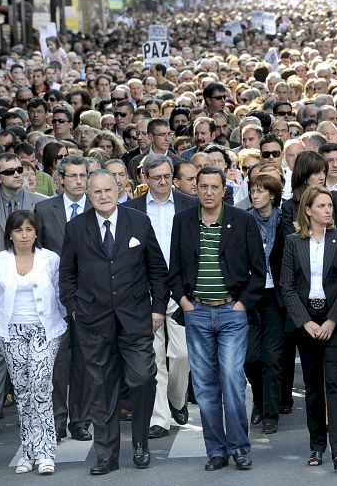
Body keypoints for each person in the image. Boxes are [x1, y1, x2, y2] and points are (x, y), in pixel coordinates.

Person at [59, 169, 170, 475]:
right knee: (101, 388)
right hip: (93, 321)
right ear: (89, 195)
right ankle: (106, 455)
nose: (104, 196)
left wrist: (157, 308)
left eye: (108, 190)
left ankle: (140, 443)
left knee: (144, 377)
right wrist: (74, 309)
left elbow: (157, 269)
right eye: (97, 192)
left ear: (119, 189)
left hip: (136, 318)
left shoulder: (139, 221)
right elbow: (67, 273)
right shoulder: (76, 227)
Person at [169, 166, 266, 471]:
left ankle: (239, 447)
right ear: (195, 189)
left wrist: (241, 305)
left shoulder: (243, 221)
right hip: (196, 311)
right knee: (205, 386)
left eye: (214, 186)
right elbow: (174, 268)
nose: (209, 192)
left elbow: (258, 271)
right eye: (203, 186)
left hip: (231, 312)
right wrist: (183, 302)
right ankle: (216, 451)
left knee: (231, 379)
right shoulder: (183, 220)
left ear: (225, 189)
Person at [0, 210, 66, 475]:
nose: (24, 235)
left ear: (36, 232)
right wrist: (2, 327)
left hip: (44, 329)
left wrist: (56, 324)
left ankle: (46, 452)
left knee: (40, 386)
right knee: (22, 390)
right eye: (19, 230)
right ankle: (28, 450)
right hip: (11, 331)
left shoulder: (50, 259)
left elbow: (61, 294)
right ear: (10, 233)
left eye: (29, 229)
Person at [121, 154, 197, 438]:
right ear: (145, 179)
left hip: (180, 287)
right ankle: (159, 417)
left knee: (181, 354)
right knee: (153, 356)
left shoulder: (190, 204)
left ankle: (177, 401)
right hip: (146, 289)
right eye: (157, 177)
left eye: (167, 176)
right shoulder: (131, 209)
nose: (163, 182)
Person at [281, 185, 337, 470]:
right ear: (308, 210)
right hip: (305, 319)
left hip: (335, 318)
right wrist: (305, 321)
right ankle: (317, 446)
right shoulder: (292, 241)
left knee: (334, 382)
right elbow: (286, 286)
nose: (327, 210)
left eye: (330, 206)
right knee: (312, 385)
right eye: (321, 206)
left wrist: (332, 321)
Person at [34, 155, 92, 443]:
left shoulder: (98, 206)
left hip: (90, 299)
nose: (79, 181)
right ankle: (57, 420)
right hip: (53, 299)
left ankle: (79, 420)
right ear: (60, 179)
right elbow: (38, 254)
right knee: (57, 364)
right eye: (73, 176)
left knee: (83, 361)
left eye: (83, 175)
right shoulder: (44, 209)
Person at [245, 171, 286, 435]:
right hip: (251, 295)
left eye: (260, 191)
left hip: (277, 298)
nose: (255, 195)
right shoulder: (244, 221)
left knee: (272, 357)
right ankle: (259, 401)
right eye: (252, 191)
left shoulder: (284, 221)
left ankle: (271, 413)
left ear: (272, 194)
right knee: (250, 357)